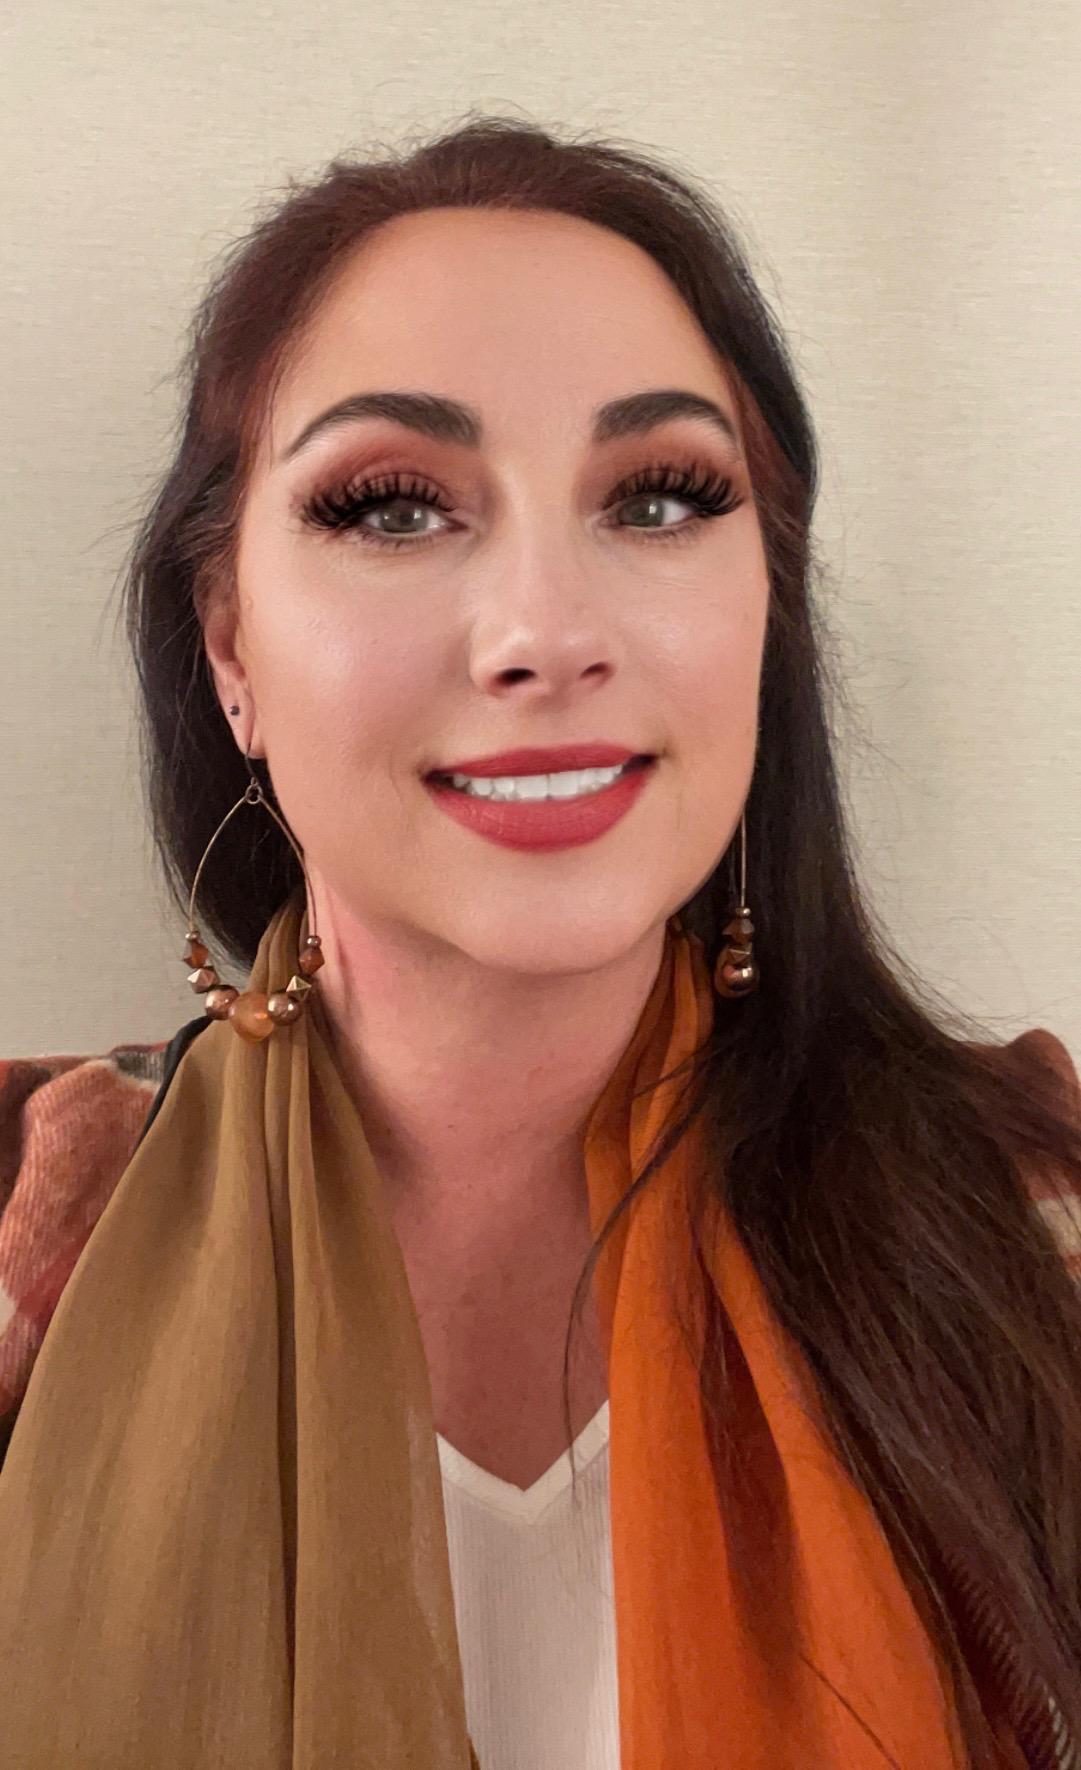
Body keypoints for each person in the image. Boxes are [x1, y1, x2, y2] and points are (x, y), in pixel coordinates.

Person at [1, 114, 1079, 1770]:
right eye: (391, 508)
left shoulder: (1033, 1229)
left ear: (763, 609)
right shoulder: (30, 1225)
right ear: (231, 648)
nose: (546, 632)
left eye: (656, 497)